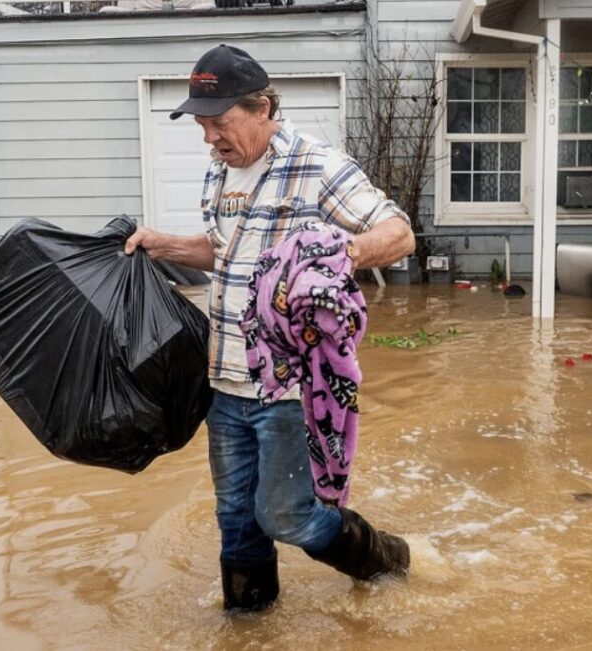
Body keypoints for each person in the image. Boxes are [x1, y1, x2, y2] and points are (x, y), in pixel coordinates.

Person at [124, 44, 416, 612]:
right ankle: (249, 622)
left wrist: (331, 253)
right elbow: (225, 252)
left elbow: (399, 234)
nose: (209, 137)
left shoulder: (317, 164)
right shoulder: (220, 171)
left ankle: (387, 559)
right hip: (224, 379)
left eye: (219, 123)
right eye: (202, 125)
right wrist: (164, 244)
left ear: (261, 109)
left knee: (285, 514)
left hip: (287, 388)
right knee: (234, 517)